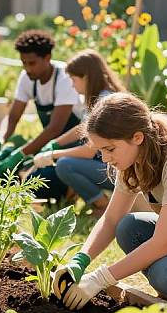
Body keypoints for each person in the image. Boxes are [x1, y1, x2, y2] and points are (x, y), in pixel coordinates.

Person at [53, 92, 167, 311]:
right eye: (100, 150)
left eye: (109, 149)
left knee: (166, 274)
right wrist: (80, 261)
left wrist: (100, 279)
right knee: (129, 227)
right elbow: (111, 219)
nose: (104, 159)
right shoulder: (134, 159)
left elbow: (163, 243)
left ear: (137, 137)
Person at [32, 49, 125, 212]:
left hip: (120, 172)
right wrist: (54, 143)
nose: (72, 86)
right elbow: (83, 128)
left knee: (65, 165)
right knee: (65, 162)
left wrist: (53, 155)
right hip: (112, 167)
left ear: (86, 77)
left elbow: (90, 150)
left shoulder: (105, 102)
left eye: (74, 80)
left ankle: (103, 207)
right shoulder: (101, 96)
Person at [0, 30, 83, 190]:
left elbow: (55, 128)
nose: (27, 68)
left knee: (39, 183)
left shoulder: (65, 78)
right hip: (49, 146)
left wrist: (20, 155)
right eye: (23, 63)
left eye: (32, 63)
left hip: (77, 147)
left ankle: (71, 189)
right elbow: (13, 117)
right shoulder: (27, 78)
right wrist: (0, 138)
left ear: (47, 58)